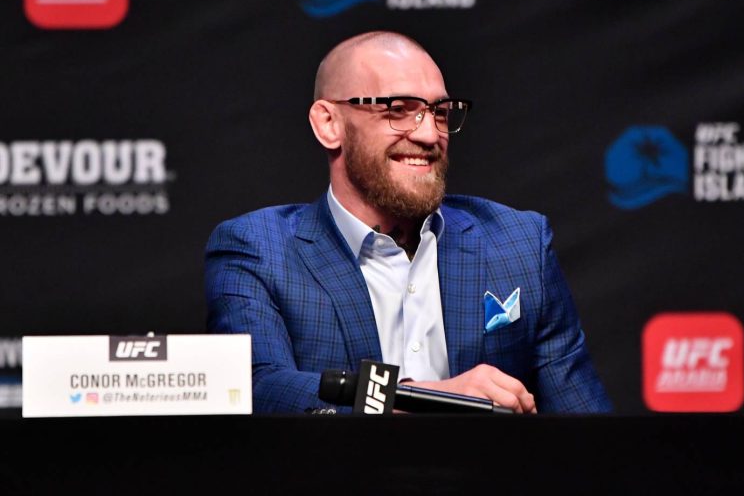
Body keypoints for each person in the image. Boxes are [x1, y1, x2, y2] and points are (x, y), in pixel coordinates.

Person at [205, 31, 612, 414]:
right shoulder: (259, 249)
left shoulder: (518, 243)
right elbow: (257, 387)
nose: (430, 135)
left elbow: (587, 428)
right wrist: (429, 399)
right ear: (329, 124)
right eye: (398, 110)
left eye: (440, 112)